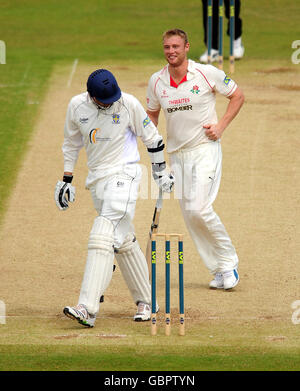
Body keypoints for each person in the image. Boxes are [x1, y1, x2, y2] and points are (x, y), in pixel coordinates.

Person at [54, 69, 174, 327]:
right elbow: (71, 143)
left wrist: (160, 172)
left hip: (126, 175)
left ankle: (87, 307)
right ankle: (148, 301)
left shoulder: (128, 103)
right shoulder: (76, 106)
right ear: (91, 95)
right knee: (123, 239)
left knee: (103, 233)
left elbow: (152, 138)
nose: (110, 103)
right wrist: (66, 179)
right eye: (104, 100)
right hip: (97, 180)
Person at [146, 29, 244, 290]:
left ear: (187, 47)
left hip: (204, 149)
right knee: (190, 215)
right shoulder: (156, 81)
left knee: (199, 208)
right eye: (167, 47)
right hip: (177, 156)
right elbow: (152, 117)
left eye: (176, 46)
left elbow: (237, 96)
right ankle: (219, 269)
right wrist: (155, 156)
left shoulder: (205, 72)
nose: (171, 52)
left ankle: (228, 261)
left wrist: (221, 126)